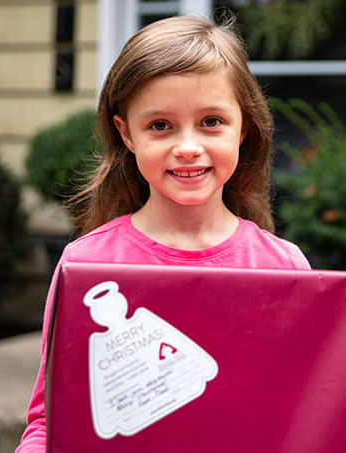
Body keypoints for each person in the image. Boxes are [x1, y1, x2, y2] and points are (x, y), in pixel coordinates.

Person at [16, 14, 310, 451]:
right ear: (126, 133)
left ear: (243, 127)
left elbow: (299, 410)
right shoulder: (86, 264)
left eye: (211, 121)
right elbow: (50, 420)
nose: (187, 146)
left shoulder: (283, 267)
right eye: (160, 125)